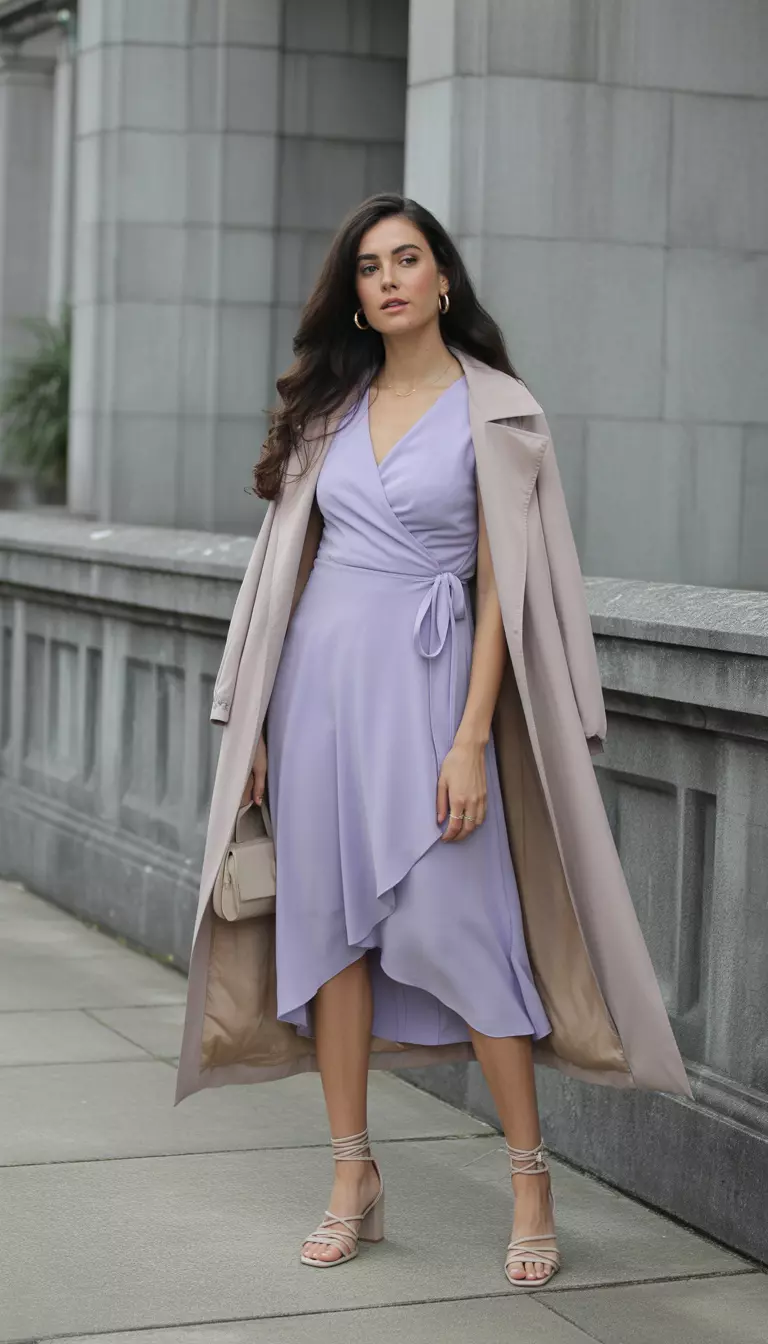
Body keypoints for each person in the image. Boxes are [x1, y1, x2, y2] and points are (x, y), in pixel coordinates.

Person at [175, 192, 690, 1289]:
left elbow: (505, 590)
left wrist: (467, 741)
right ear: (354, 296)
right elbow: (284, 577)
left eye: (409, 259)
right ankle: (351, 1173)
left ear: (443, 279)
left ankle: (529, 1177)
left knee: (469, 932)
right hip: (318, 695)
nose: (390, 278)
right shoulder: (327, 414)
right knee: (331, 946)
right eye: (370, 266)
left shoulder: (498, 409)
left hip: (430, 688)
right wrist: (256, 723)